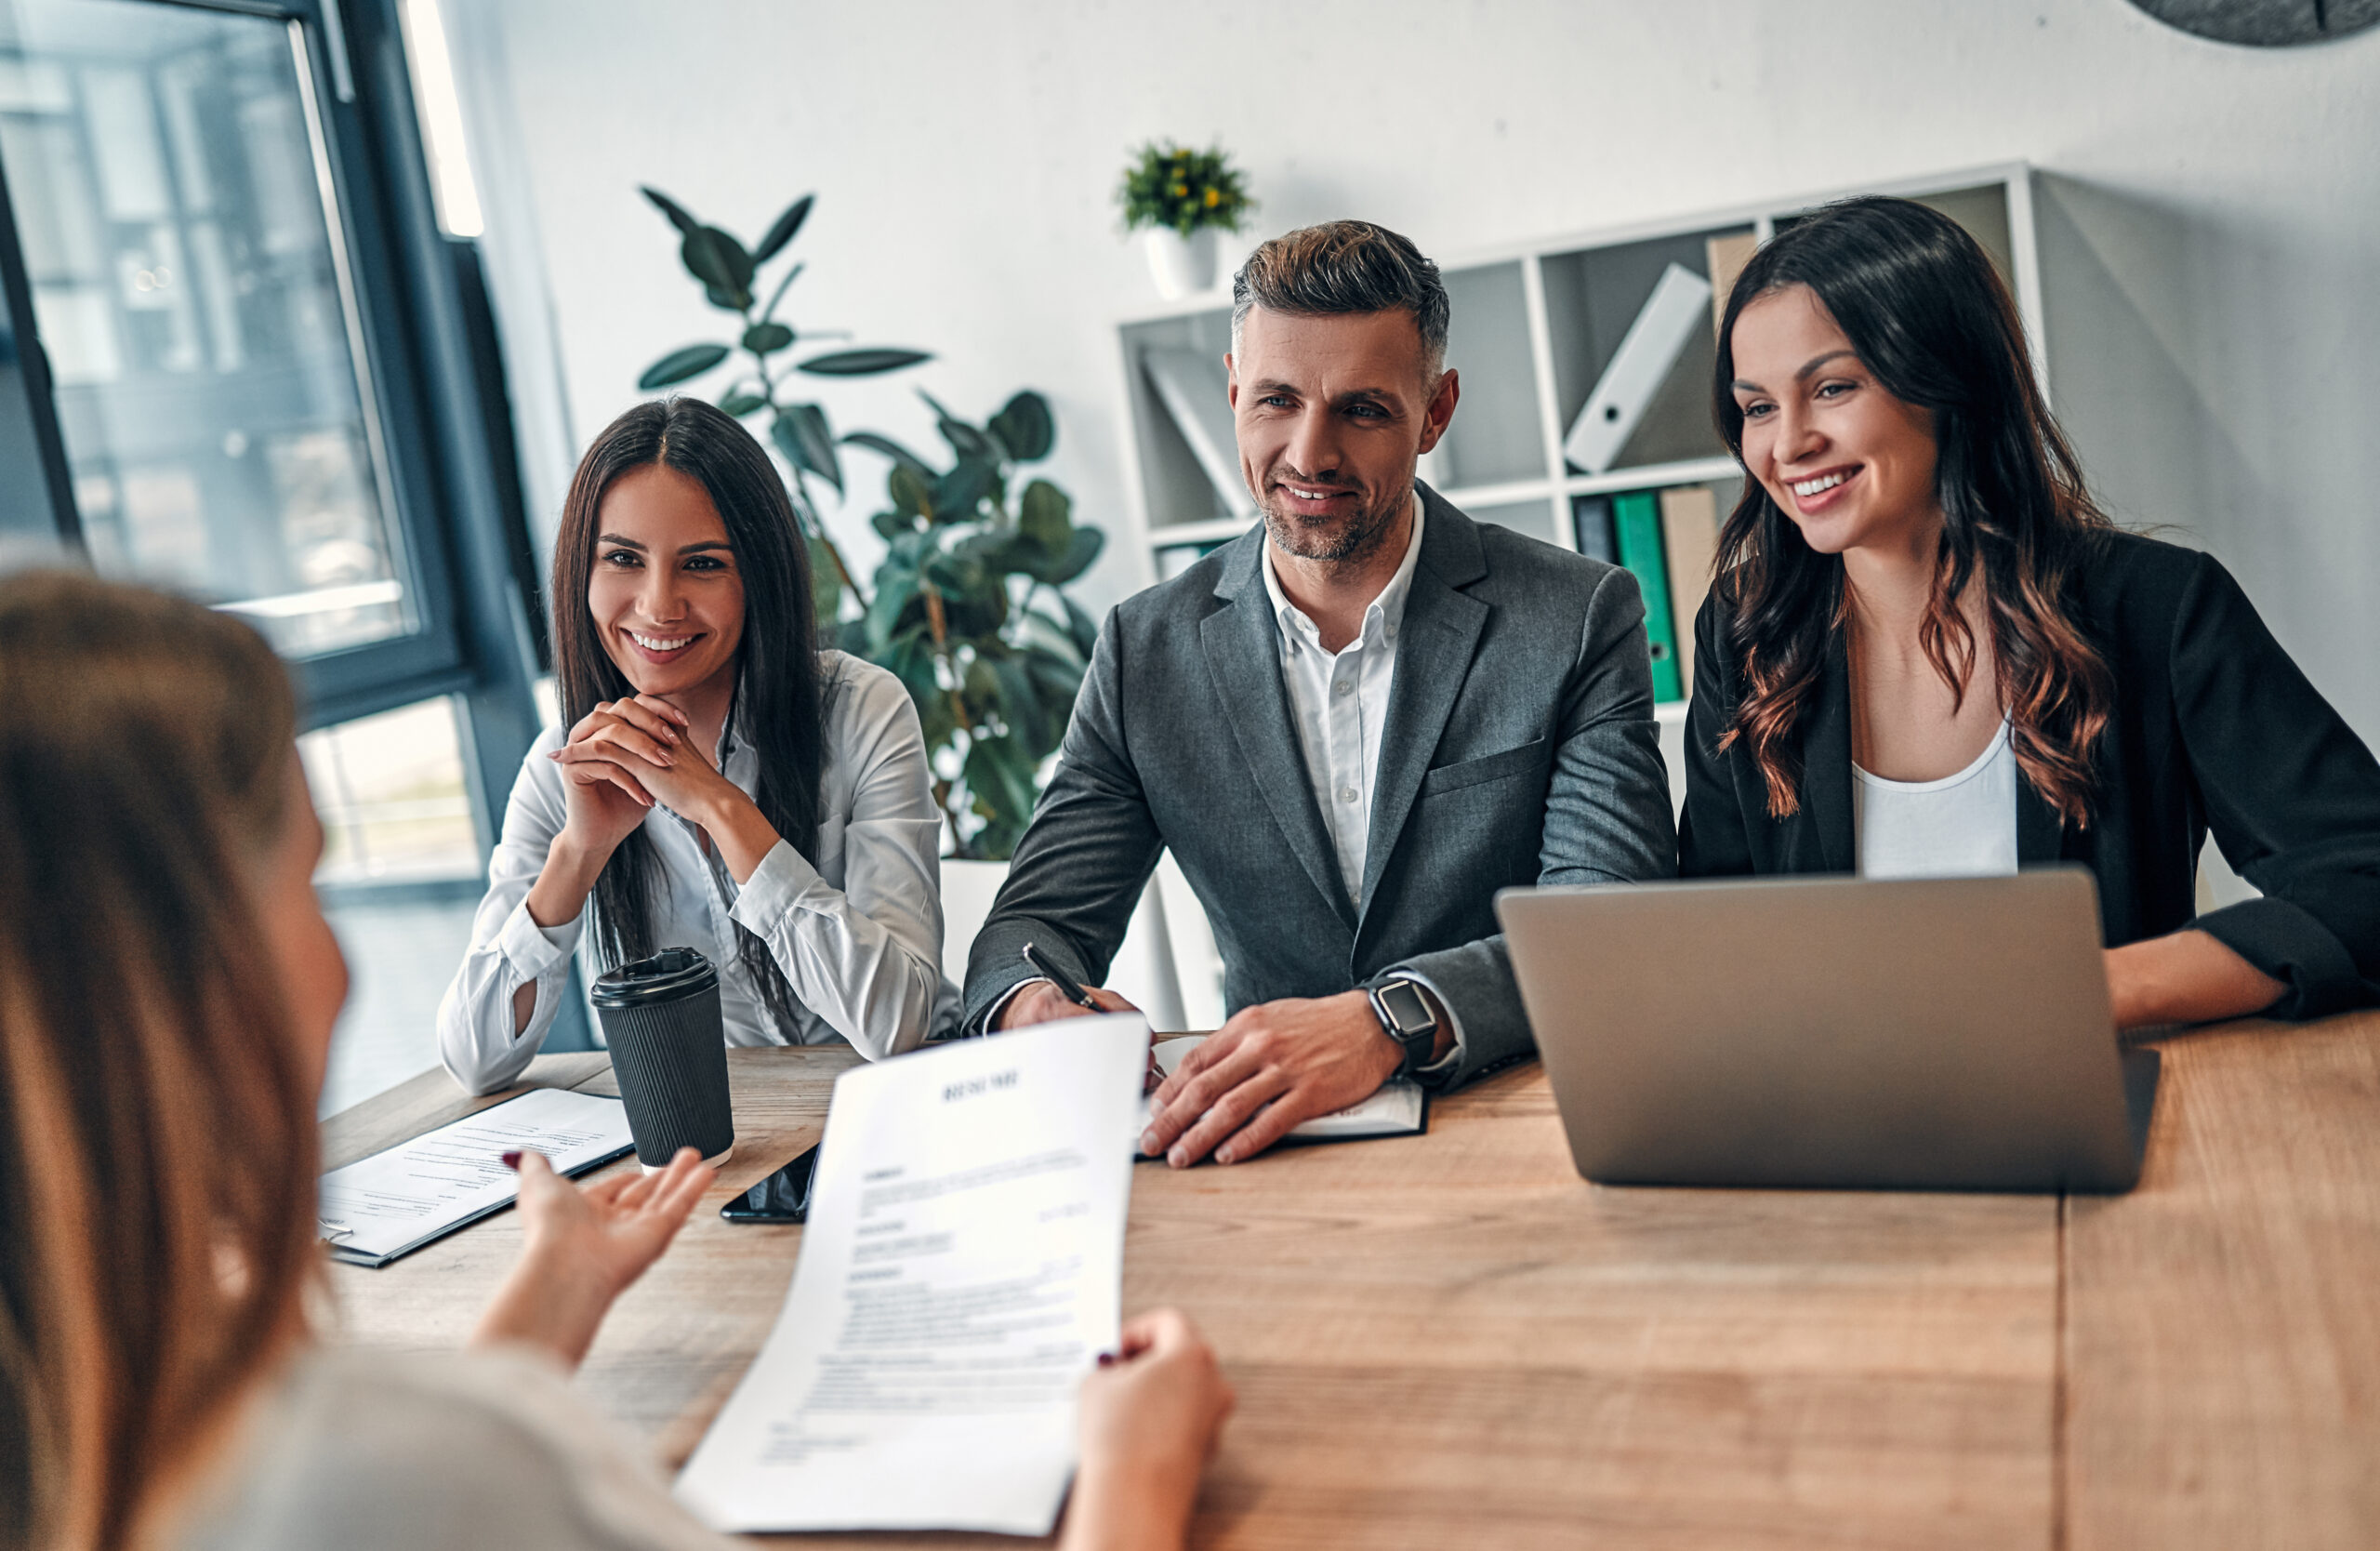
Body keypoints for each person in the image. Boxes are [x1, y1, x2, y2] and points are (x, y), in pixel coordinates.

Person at [0, 569, 1233, 1551]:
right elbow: (390, 1483)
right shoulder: (359, 1464)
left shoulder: (90, 1438)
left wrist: (547, 1306)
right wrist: (1133, 1477)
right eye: (308, 880)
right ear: (189, 961)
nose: (659, 603)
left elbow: (396, 1495)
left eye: (700, 564)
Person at [966, 219, 1676, 1166]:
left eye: (1363, 411)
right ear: (1231, 392)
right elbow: (1031, 926)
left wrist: (1390, 1020)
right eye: (1276, 400)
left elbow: (1606, 932)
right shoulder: (1147, 649)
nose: (1309, 454)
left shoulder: (1576, 616)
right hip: (1264, 1152)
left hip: (1527, 1129)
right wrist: (1029, 1004)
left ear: (1436, 410)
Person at [1681, 195, 2380, 1025]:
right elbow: (1703, 932)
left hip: (2092, 1105)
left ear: (1948, 383)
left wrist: (2097, 991)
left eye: (1832, 387)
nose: (1788, 443)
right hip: (1838, 1121)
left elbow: (2360, 876)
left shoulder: (2156, 608)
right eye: (1758, 406)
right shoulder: (1748, 632)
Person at [438, 398, 959, 1095]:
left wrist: (718, 805)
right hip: (729, 1146)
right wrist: (579, 852)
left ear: (759, 575)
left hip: (910, 1111)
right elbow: (474, 1059)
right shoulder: (562, 767)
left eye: (703, 564)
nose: (658, 605)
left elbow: (898, 1024)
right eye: (622, 558)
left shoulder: (860, 709)